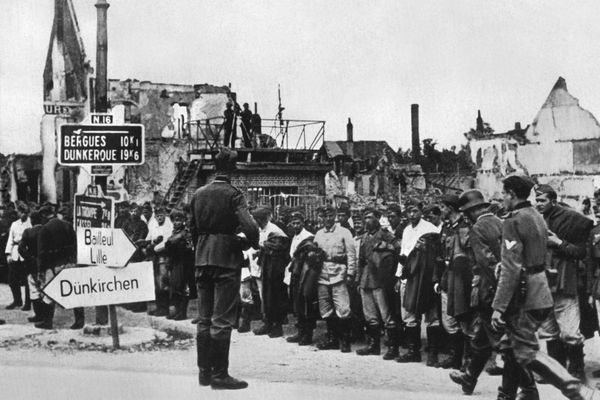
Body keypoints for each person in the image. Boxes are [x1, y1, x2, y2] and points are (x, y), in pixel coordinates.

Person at [490, 175, 597, 400]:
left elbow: (511, 269)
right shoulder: (536, 215)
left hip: (525, 293)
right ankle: (517, 393)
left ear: (511, 194)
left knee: (525, 350)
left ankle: (577, 390)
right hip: (541, 289)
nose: (502, 198)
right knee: (511, 346)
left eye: (503, 194)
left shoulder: (514, 220)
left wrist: (499, 307)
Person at [449, 190, 536, 399]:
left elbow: (488, 263)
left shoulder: (478, 227)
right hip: (506, 289)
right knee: (482, 339)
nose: (465, 216)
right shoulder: (500, 221)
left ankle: (525, 390)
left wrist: (497, 296)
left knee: (506, 346)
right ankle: (469, 377)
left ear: (471, 211)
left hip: (491, 293)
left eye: (466, 212)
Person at [190, 147, 259, 390]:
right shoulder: (234, 194)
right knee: (222, 319)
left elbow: (192, 230)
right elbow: (250, 227)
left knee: (204, 319)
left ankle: (204, 372)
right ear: (232, 168)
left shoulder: (198, 193)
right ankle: (220, 375)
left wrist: (201, 248)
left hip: (202, 258)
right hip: (225, 259)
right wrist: (247, 243)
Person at [535, 184, 593, 382]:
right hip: (543, 282)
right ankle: (555, 371)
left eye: (542, 200)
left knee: (569, 330)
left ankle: (576, 371)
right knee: (548, 329)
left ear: (553, 200)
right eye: (537, 199)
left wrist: (558, 242)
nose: (538, 204)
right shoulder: (537, 219)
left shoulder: (571, 219)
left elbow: (581, 252)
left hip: (564, 280)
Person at [395, 200, 442, 366]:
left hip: (426, 276)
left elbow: (438, 254)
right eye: (409, 211)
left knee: (431, 314)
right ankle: (413, 351)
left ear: (421, 211)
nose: (412, 215)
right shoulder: (407, 230)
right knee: (409, 313)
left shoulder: (430, 229)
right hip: (410, 275)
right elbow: (403, 254)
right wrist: (399, 276)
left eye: (415, 211)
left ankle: (433, 353)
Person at [355, 208, 400, 360]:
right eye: (365, 218)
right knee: (370, 315)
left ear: (378, 219)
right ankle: (373, 345)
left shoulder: (385, 234)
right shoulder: (364, 237)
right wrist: (358, 279)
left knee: (386, 314)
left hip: (381, 279)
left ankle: (393, 347)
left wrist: (386, 247)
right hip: (366, 279)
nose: (366, 221)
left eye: (370, 217)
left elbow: (398, 248)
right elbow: (360, 260)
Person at [313, 205, 357, 353]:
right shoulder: (318, 234)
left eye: (330, 216)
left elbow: (351, 254)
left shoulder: (344, 232)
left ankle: (345, 341)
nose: (327, 219)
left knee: (343, 308)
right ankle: (332, 339)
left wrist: (351, 273)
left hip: (339, 274)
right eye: (324, 216)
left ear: (335, 216)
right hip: (322, 275)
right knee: (325, 309)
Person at [436, 194, 472, 370]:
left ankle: (468, 360)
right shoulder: (446, 227)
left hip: (461, 278)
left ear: (450, 208)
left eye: (442, 207)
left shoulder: (465, 227)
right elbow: (440, 254)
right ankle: (455, 356)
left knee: (463, 317)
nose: (440, 211)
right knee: (448, 319)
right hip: (447, 277)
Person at [34, 205, 77, 330]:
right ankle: (79, 321)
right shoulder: (68, 225)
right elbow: (75, 245)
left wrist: (41, 270)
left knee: (49, 294)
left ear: (43, 216)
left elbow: (41, 253)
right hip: (69, 264)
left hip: (52, 266)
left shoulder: (44, 229)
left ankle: (48, 323)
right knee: (74, 292)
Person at [251, 208, 288, 337]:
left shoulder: (275, 231)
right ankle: (268, 323)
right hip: (265, 268)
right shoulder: (262, 230)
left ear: (259, 220)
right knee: (266, 297)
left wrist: (264, 247)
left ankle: (277, 326)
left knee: (275, 297)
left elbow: (278, 248)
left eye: (254, 219)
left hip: (275, 270)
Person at [286, 211, 319, 345]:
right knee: (297, 304)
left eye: (298, 223)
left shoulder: (308, 237)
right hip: (295, 274)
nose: (296, 225)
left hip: (305, 275)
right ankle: (300, 332)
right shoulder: (294, 236)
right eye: (293, 223)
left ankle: (308, 334)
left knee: (306, 304)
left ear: (303, 223)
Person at [164, 208, 194, 320]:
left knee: (182, 287)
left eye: (179, 220)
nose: (177, 222)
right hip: (174, 262)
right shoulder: (173, 233)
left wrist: (178, 247)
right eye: (175, 220)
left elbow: (189, 248)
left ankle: (182, 312)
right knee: (174, 287)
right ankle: (176, 311)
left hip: (184, 263)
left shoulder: (186, 233)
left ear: (183, 221)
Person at [146, 206, 173, 316]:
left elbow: (167, 242)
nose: (159, 218)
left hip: (164, 256)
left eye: (161, 215)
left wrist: (156, 246)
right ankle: (158, 307)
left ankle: (165, 308)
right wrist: (150, 243)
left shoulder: (169, 226)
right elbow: (149, 237)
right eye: (157, 216)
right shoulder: (153, 224)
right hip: (155, 256)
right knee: (156, 282)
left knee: (164, 281)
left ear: (164, 215)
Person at [18, 211, 44, 324]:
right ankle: (46, 316)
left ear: (32, 220)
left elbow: (21, 248)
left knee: (34, 290)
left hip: (32, 265)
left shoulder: (28, 232)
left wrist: (29, 258)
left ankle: (38, 315)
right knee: (45, 289)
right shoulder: (46, 231)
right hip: (45, 263)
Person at [4, 202, 31, 310]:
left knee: (27, 280)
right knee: (12, 279)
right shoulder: (15, 224)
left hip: (26, 253)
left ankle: (28, 303)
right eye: (21, 212)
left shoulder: (30, 223)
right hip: (15, 252)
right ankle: (17, 300)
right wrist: (8, 254)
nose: (22, 215)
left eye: (24, 212)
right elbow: (10, 239)